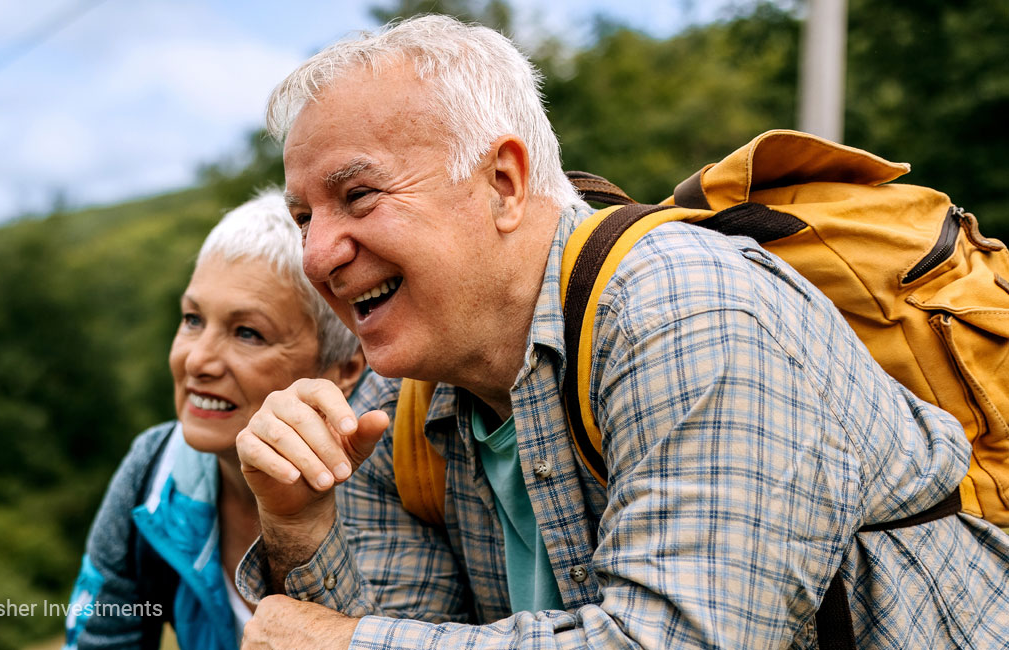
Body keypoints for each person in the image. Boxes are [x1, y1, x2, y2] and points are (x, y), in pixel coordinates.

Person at [229, 15, 1009, 649]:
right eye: (303, 217)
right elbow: (393, 629)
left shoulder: (687, 311)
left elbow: (683, 640)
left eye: (359, 196)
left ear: (503, 182)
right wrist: (299, 524)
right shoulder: (391, 405)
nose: (316, 255)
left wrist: (351, 643)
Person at [63, 191, 379, 650]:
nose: (197, 361)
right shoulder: (155, 473)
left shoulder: (390, 482)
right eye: (192, 319)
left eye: (248, 333)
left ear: (345, 368)